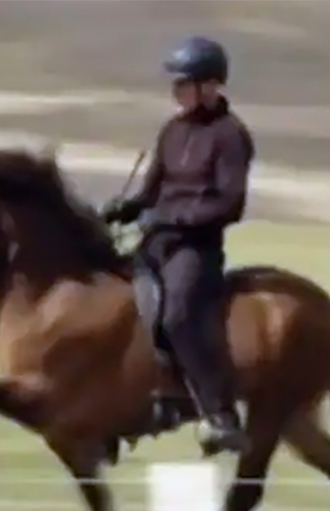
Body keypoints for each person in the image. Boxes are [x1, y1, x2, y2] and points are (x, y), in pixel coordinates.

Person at [100, 35, 256, 456]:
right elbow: (152, 189)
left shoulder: (231, 136)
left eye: (183, 84)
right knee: (113, 302)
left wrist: (174, 217)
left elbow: (230, 204)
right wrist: (126, 208)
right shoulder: (172, 130)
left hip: (195, 249)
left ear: (211, 86)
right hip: (155, 241)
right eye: (175, 85)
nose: (176, 92)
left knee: (177, 315)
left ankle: (220, 416)